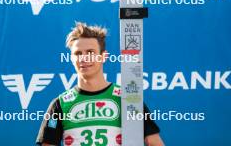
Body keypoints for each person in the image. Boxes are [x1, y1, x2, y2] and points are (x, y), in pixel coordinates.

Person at [36, 22, 164, 146]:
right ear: (71, 58)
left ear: (103, 56)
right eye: (78, 53)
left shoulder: (128, 98)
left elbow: (154, 142)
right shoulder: (60, 104)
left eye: (90, 52)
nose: (84, 58)